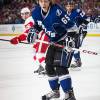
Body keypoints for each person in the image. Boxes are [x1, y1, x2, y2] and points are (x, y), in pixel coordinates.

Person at [32, 0, 77, 100]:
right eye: (41, 1)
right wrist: (33, 31)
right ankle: (55, 91)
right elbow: (38, 25)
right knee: (49, 67)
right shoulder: (35, 12)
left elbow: (73, 27)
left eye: (46, 1)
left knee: (60, 67)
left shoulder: (57, 11)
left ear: (50, 1)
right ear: (38, 2)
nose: (43, 3)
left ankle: (69, 94)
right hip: (53, 42)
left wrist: (70, 39)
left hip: (64, 40)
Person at [10, 7, 49, 75]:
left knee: (39, 53)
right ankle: (41, 66)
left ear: (29, 13)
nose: (24, 15)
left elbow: (29, 32)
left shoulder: (29, 20)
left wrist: (18, 39)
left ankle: (47, 68)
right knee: (33, 50)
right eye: (22, 14)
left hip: (44, 35)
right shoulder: (30, 19)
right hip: (42, 36)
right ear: (21, 15)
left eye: (26, 13)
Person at [64, 0, 89, 68]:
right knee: (69, 46)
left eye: (71, 6)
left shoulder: (78, 11)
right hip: (69, 32)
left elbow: (87, 20)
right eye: (68, 6)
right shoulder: (64, 13)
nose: (69, 7)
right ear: (66, 7)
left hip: (79, 32)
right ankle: (73, 61)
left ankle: (77, 61)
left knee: (75, 47)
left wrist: (82, 27)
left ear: (73, 6)